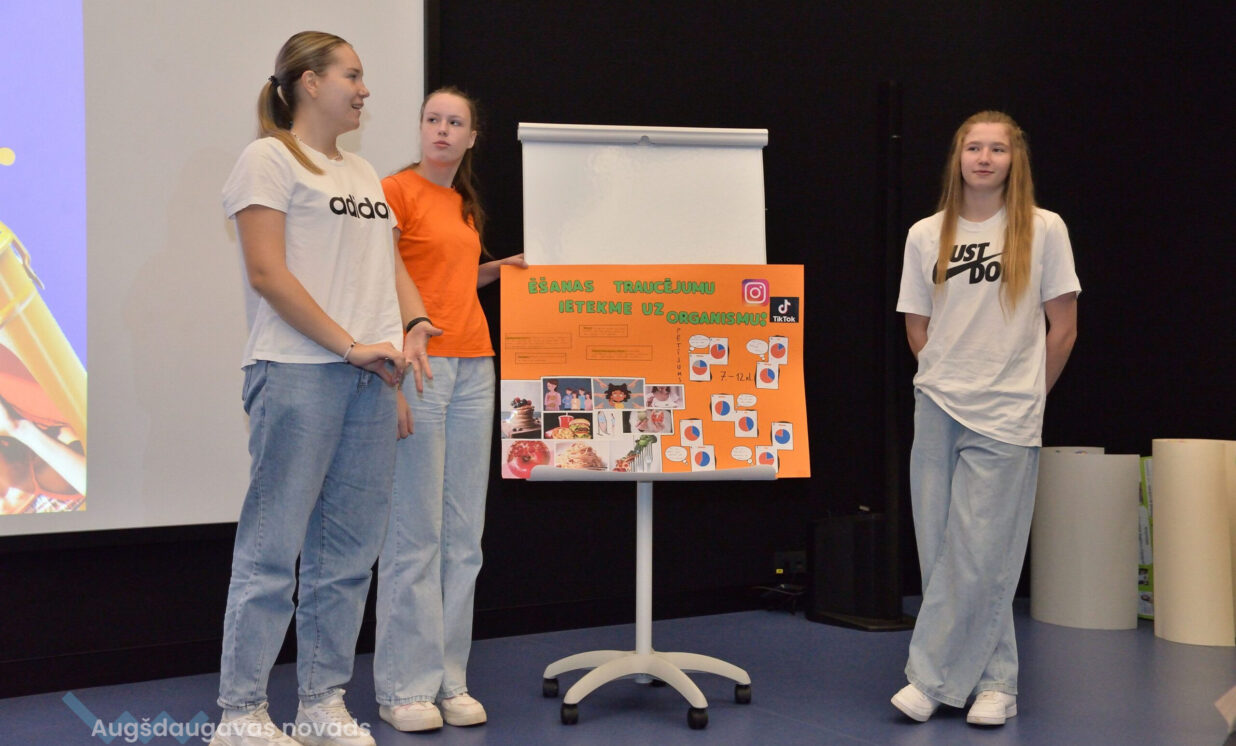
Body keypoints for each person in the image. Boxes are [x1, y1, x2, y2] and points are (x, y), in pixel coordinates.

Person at [213, 31, 436, 746]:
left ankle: (320, 703)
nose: (365, 90)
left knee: (345, 558)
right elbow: (267, 273)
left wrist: (413, 326)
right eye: (353, 75)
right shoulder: (268, 159)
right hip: (296, 373)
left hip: (369, 381)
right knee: (272, 552)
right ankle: (241, 713)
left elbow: (388, 267)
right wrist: (350, 346)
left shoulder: (363, 173)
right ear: (309, 82)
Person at [892, 111, 1079, 727]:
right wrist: (946, 376)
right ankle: (995, 682)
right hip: (938, 405)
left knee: (981, 551)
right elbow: (917, 325)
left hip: (1007, 413)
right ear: (958, 157)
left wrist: (1029, 395)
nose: (984, 158)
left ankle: (930, 679)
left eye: (997, 149)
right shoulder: (925, 234)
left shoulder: (1044, 229)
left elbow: (1063, 327)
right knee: (941, 550)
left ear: (1013, 160)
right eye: (974, 147)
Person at [374, 86, 525, 732]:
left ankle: (449, 681)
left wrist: (501, 268)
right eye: (432, 119)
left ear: (471, 137)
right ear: (420, 129)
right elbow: (380, 277)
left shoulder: (463, 205)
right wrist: (393, 371)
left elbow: (452, 280)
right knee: (416, 533)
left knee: (464, 537)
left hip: (475, 368)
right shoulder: (394, 191)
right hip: (422, 368)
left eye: (454, 122)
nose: (441, 129)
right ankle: (403, 689)